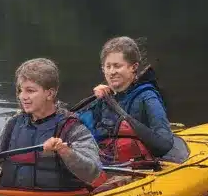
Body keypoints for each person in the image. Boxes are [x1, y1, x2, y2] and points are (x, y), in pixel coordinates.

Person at [0, 58, 102, 191]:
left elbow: (93, 172)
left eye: (30, 91)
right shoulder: (13, 124)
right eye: (21, 90)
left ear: (49, 93)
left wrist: (64, 150)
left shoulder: (72, 127)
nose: (23, 96)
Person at [77, 36, 190, 164]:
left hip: (146, 165)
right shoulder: (102, 99)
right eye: (107, 67)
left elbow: (164, 144)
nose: (111, 72)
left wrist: (115, 107)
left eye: (117, 66)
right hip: (114, 163)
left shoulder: (148, 97)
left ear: (133, 67)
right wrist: (100, 102)